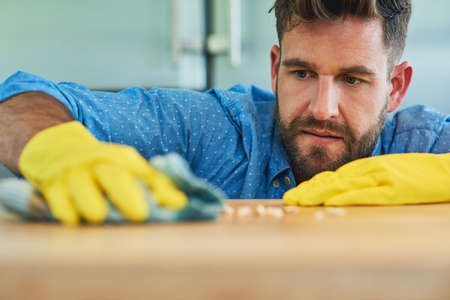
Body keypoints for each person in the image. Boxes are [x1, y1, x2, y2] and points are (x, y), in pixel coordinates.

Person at [0, 0, 448, 224]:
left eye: (352, 80)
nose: (322, 109)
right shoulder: (216, 131)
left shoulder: (424, 145)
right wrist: (59, 149)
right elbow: (18, 102)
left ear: (395, 87)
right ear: (275, 68)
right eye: (302, 74)